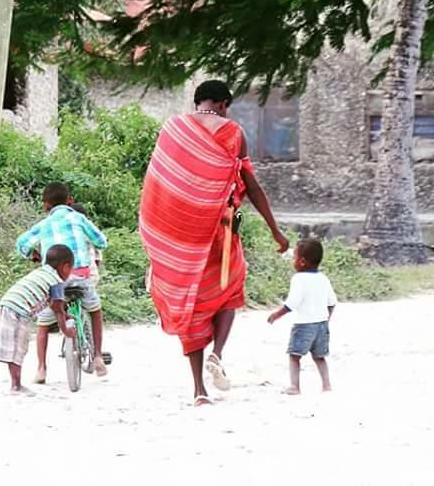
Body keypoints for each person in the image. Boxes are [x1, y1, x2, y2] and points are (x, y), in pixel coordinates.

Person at [139, 79, 289, 406]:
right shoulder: (232, 132)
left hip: (179, 237)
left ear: (197, 102)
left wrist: (161, 237)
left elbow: (159, 181)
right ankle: (217, 354)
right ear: (223, 104)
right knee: (230, 291)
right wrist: (276, 231)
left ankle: (198, 390)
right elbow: (251, 187)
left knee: (191, 304)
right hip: (220, 233)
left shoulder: (173, 129)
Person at [17, 182, 108, 383]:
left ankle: (41, 369)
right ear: (69, 200)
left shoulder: (44, 224)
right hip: (81, 276)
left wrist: (34, 255)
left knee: (43, 323)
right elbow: (102, 241)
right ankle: (99, 356)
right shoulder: (79, 218)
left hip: (54, 279)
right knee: (95, 310)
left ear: (46, 206)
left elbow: (21, 244)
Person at [0, 244, 75, 394]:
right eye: (71, 269)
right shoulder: (56, 281)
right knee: (18, 349)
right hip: (18, 312)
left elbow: (53, 305)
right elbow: (57, 308)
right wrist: (65, 329)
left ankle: (15, 383)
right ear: (65, 267)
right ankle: (16, 386)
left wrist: (65, 315)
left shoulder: (42, 272)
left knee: (11, 349)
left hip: (6, 305)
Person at [268, 238, 336, 395]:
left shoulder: (298, 279)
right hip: (321, 325)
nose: (293, 260)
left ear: (302, 262)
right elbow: (332, 301)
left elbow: (292, 303)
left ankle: (294, 386)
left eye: (294, 257)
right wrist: (327, 318)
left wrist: (276, 315)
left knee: (294, 356)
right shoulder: (323, 278)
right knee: (320, 357)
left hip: (303, 325)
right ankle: (326, 385)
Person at [71, 202, 103, 286]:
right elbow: (98, 259)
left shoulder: (63, 233)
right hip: (90, 276)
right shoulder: (90, 231)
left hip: (68, 277)